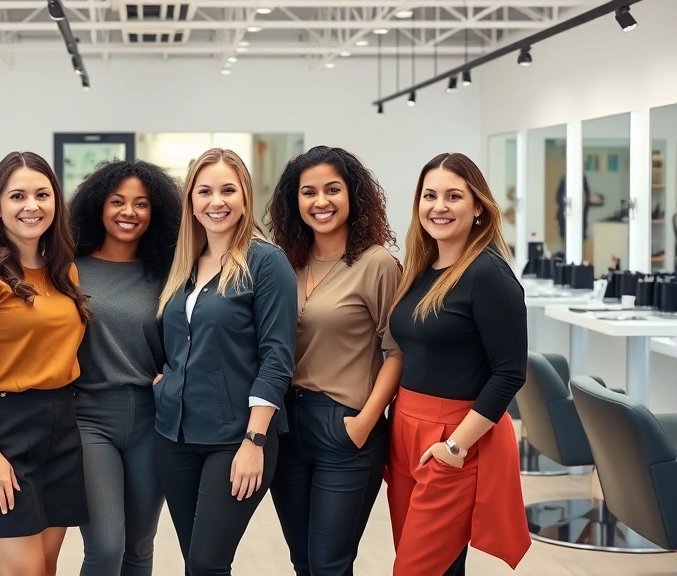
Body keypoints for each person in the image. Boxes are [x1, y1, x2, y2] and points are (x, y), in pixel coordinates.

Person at [0, 151, 90, 576]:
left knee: (46, 569)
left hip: (60, 425)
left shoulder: (64, 271)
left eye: (42, 194)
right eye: (18, 196)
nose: (32, 206)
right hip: (3, 427)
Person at [154, 147, 297, 576]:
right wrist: (163, 382)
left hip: (237, 436)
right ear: (191, 201)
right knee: (195, 564)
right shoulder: (183, 265)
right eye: (205, 191)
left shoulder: (266, 262)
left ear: (245, 197)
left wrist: (254, 442)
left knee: (206, 563)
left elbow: (277, 357)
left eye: (228, 190)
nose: (217, 201)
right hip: (175, 435)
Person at [387, 152, 531, 575]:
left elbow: (510, 373)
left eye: (454, 196)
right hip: (406, 428)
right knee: (437, 565)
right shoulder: (421, 268)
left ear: (478, 207)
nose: (439, 206)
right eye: (429, 195)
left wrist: (455, 447)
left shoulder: (489, 275)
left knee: (415, 569)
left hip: (454, 436)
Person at [265, 146, 402, 576]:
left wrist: (365, 421)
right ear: (295, 201)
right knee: (303, 562)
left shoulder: (376, 264)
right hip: (286, 425)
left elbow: (398, 351)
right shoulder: (283, 263)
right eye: (309, 192)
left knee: (330, 565)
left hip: (344, 425)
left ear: (353, 196)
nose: (320, 201)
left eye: (332, 190)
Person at [68, 160, 182, 576]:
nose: (128, 212)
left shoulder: (169, 273)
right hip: (88, 418)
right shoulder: (69, 268)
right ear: (98, 206)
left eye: (141, 203)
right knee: (105, 545)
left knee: (138, 546)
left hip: (153, 419)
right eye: (117, 201)